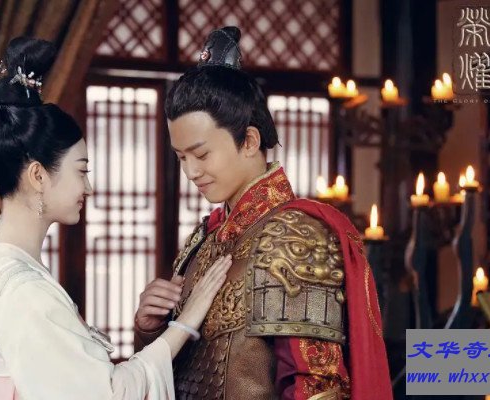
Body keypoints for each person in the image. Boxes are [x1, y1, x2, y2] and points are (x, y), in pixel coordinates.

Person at [0, 37, 232, 400]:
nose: (88, 187)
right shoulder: (22, 291)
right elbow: (108, 394)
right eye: (82, 170)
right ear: (38, 176)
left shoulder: (9, 273)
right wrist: (185, 322)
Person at [134, 27, 393, 399]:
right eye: (181, 158)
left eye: (201, 154)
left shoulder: (295, 236)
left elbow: (317, 387)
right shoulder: (204, 239)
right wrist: (152, 328)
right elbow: (186, 370)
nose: (191, 171)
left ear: (250, 141)